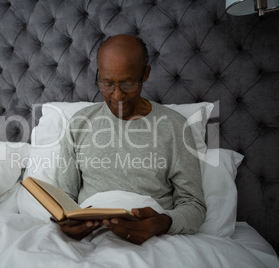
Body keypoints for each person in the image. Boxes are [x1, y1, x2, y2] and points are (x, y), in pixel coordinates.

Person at [54, 34, 206, 245]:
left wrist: (160, 223)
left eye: (127, 84)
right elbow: (64, 198)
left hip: (151, 239)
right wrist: (68, 221)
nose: (116, 96)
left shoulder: (175, 127)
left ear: (146, 74)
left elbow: (194, 206)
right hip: (89, 238)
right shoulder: (80, 123)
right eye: (107, 84)